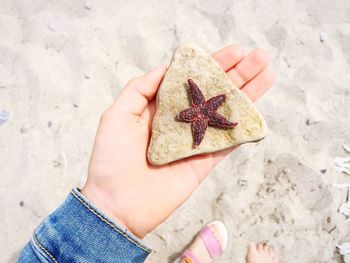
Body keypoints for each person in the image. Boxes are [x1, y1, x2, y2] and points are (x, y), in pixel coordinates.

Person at [17, 44, 276, 262]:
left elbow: (204, 104)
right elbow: (199, 102)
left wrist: (105, 209)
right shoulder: (198, 112)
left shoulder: (200, 111)